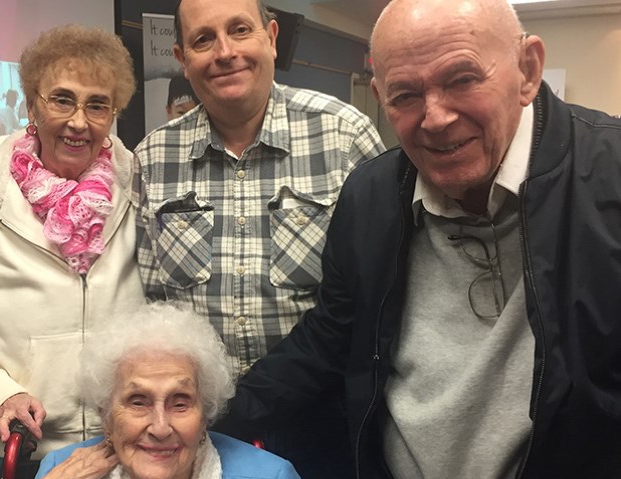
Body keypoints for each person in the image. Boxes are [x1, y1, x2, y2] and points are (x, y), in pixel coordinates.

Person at [214, 0, 621, 477]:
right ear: (380, 95)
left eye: (462, 79)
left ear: (528, 71)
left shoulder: (609, 179)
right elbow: (330, 335)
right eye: (405, 95)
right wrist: (201, 419)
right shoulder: (370, 195)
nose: (436, 118)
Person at [132, 0, 384, 476]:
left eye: (240, 30)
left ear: (270, 38)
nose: (225, 52)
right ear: (183, 59)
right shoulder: (154, 157)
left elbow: (377, 296)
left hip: (325, 416)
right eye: (204, 40)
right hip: (204, 425)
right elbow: (154, 302)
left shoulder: (343, 135)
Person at [0, 25, 144, 478]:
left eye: (98, 104)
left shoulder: (136, 185)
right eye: (62, 99)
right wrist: (0, 394)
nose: (79, 121)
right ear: (30, 104)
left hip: (121, 439)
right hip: (21, 446)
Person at [35, 302, 300, 479]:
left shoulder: (271, 475)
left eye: (180, 403)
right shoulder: (61, 468)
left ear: (205, 414)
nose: (160, 428)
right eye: (138, 402)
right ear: (105, 414)